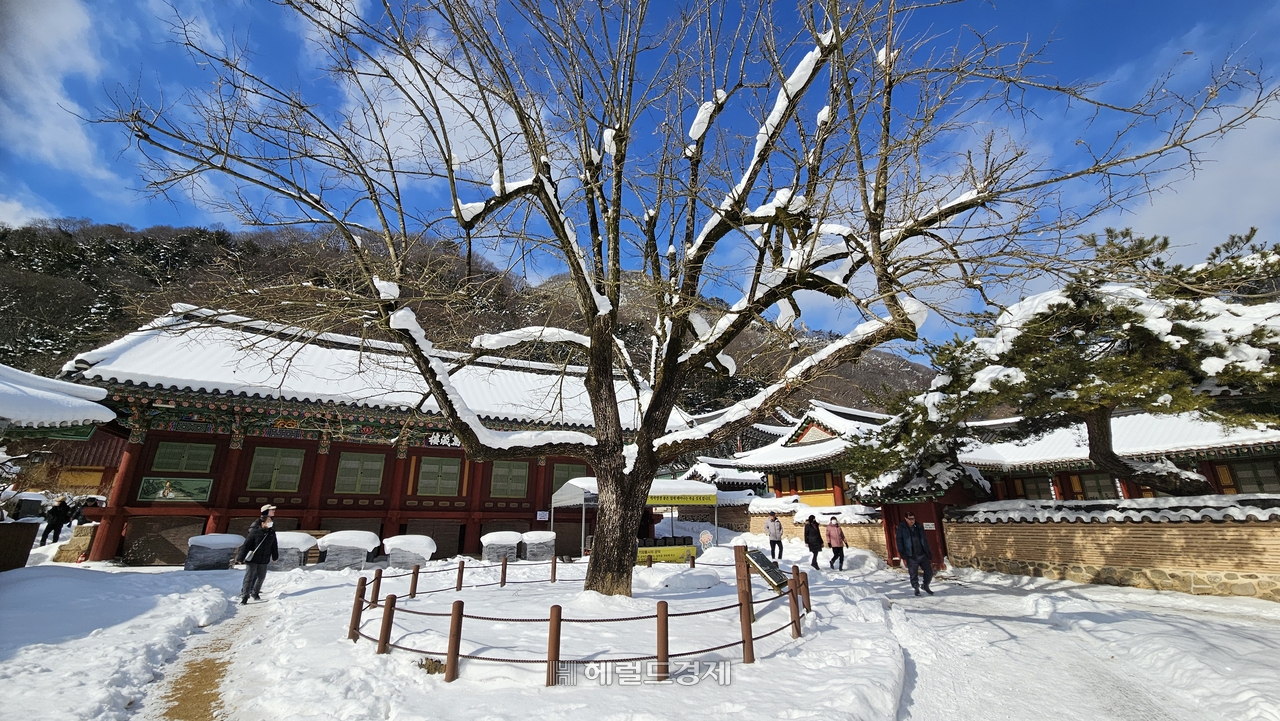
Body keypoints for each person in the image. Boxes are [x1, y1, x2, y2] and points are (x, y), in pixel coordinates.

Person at [236, 504, 280, 605]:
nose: (270, 523)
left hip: (264, 558)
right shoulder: (255, 529)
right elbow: (246, 545)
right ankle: (245, 596)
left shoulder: (272, 532)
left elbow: (274, 545)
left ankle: (255, 593)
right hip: (253, 558)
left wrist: (275, 556)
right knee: (249, 577)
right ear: (263, 522)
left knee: (261, 576)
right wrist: (240, 558)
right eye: (268, 522)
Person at [895, 512, 934, 596]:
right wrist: (902, 554)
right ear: (906, 519)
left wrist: (928, 551)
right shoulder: (902, 528)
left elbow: (924, 540)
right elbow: (899, 541)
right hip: (911, 554)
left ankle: (925, 585)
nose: (912, 521)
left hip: (922, 553)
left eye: (913, 519)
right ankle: (916, 588)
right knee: (913, 573)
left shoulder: (918, 527)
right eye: (910, 519)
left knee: (929, 571)